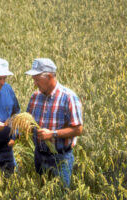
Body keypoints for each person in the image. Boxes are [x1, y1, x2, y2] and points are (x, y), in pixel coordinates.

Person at [25, 58, 83, 187]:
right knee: (41, 192)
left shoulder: (68, 97)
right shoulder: (35, 97)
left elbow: (78, 129)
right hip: (39, 156)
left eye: (37, 80)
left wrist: (52, 134)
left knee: (60, 194)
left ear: (49, 76)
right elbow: (28, 122)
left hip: (60, 160)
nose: (34, 84)